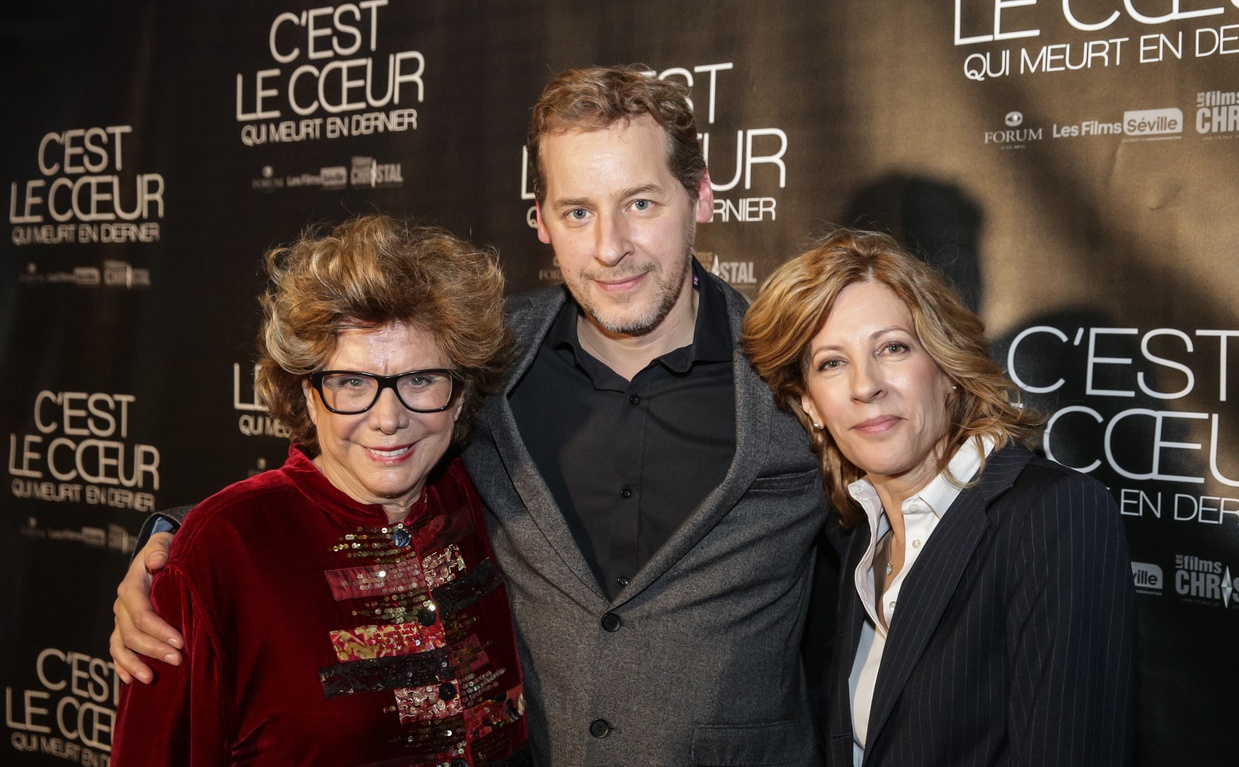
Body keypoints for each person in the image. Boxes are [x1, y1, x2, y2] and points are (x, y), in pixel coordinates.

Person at [111, 67, 830, 765]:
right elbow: (341, 470)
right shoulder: (486, 358)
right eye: (578, 211)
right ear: (541, 221)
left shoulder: (798, 369)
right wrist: (174, 547)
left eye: (641, 204)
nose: (611, 246)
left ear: (702, 198)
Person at [110, 215, 530, 766]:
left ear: (459, 394)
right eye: (352, 383)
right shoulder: (218, 555)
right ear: (308, 394)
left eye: (420, 379)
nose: (388, 418)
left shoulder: (482, 499)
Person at [741, 228, 1136, 766]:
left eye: (893, 348)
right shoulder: (860, 536)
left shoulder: (1051, 515)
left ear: (947, 368)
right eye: (831, 362)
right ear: (809, 404)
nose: (866, 385)